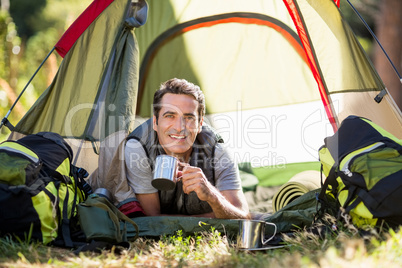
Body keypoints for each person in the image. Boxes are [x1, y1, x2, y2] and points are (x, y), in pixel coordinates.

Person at [124, 78, 249, 219]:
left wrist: (213, 197)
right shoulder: (138, 149)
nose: (179, 127)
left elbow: (243, 216)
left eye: (189, 117)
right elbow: (153, 220)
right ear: (155, 122)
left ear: (200, 123)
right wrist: (214, 216)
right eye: (170, 116)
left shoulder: (216, 150)